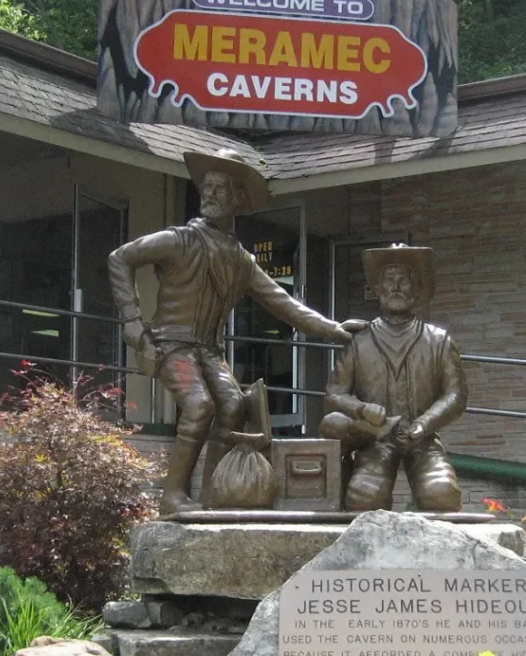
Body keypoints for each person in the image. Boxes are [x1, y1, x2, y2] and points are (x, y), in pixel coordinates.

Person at [108, 148, 363, 514]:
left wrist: (335, 329)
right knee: (199, 406)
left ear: (238, 199)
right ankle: (172, 496)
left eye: (219, 189)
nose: (209, 195)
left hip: (208, 350)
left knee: (234, 404)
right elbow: (120, 258)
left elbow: (285, 305)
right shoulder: (178, 239)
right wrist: (132, 321)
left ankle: (215, 494)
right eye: (206, 187)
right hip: (171, 344)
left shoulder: (242, 261)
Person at [320, 244, 467, 512]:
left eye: (404, 281)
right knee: (364, 497)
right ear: (377, 290)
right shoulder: (359, 341)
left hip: (421, 439)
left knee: (442, 494)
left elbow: (455, 395)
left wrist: (423, 425)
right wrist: (362, 409)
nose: (396, 287)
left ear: (416, 289)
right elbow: (334, 394)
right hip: (376, 439)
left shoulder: (438, 340)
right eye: (389, 280)